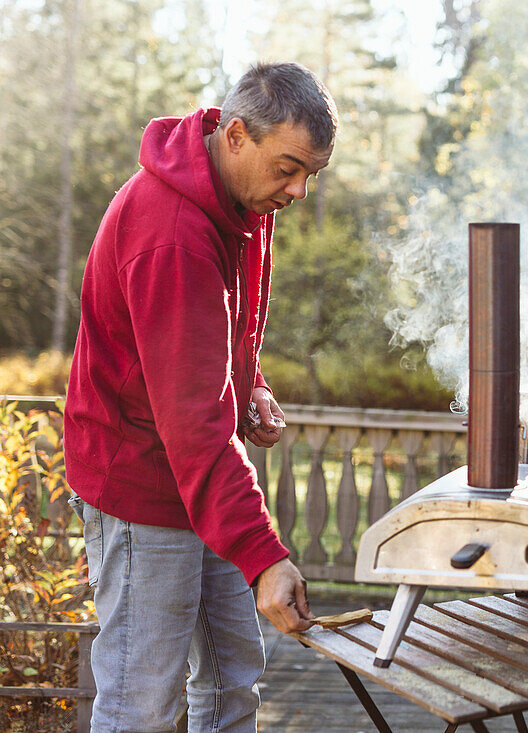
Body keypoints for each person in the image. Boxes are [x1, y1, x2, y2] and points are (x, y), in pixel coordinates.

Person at [63, 62, 338, 732]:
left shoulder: (240, 194)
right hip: (142, 486)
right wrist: (265, 554)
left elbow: (214, 333)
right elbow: (191, 423)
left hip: (201, 478)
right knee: (142, 703)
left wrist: (251, 384)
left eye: (311, 174)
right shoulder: (173, 234)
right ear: (237, 135)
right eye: (290, 168)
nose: (298, 189)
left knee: (232, 681)